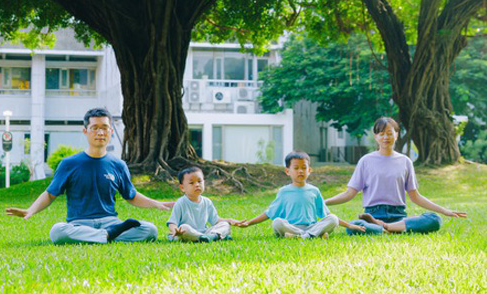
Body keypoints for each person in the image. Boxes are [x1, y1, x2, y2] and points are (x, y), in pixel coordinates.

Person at [6, 107, 174, 244]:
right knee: (57, 231)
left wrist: (156, 204)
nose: (100, 132)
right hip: (79, 223)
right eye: (95, 128)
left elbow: (131, 196)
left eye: (104, 128)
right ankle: (107, 236)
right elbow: (50, 194)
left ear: (111, 132)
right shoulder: (69, 163)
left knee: (150, 230)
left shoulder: (118, 165)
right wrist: (31, 210)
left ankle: (104, 235)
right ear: (85, 131)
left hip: (111, 222)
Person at [325, 117, 467, 235]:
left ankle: (384, 228)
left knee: (434, 219)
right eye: (381, 134)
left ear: (396, 135)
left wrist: (444, 211)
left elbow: (415, 196)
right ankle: (389, 228)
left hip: (399, 216)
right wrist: (324, 202)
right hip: (372, 214)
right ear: (376, 137)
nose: (386, 137)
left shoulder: (405, 161)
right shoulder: (365, 161)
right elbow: (350, 193)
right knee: (355, 225)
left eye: (389, 133)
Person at [237, 151, 365, 238]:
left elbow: (326, 214)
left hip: (312, 226)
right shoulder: (283, 192)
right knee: (277, 222)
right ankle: (311, 236)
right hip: (292, 227)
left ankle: (304, 236)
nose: (300, 171)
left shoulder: (314, 191)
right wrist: (249, 223)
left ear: (309, 170)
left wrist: (348, 225)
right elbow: (269, 213)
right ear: (288, 171)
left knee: (333, 219)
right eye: (296, 168)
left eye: (304, 168)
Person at [167, 166, 241, 242]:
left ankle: (208, 237)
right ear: (182, 188)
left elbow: (215, 220)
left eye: (199, 181)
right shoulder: (181, 203)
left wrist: (229, 220)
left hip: (204, 232)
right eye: (191, 183)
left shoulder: (207, 202)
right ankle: (212, 237)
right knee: (184, 227)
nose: (197, 185)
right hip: (185, 233)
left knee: (225, 225)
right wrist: (175, 231)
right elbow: (172, 223)